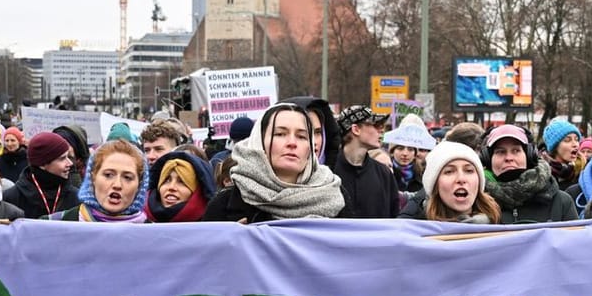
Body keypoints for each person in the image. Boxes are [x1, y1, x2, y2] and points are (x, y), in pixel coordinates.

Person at [204, 102, 346, 223]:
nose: (292, 143)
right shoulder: (225, 204)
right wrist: (231, 242)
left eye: (302, 136)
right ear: (259, 141)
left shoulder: (333, 195)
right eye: (280, 134)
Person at [483, 124, 577, 224]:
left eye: (516, 151)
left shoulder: (561, 202)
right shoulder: (477, 203)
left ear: (529, 156)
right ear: (488, 159)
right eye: (500, 152)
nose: (509, 158)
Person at [402, 141, 508, 223]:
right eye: (449, 172)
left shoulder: (501, 227)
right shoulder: (411, 230)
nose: (461, 179)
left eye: (469, 171)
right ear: (434, 184)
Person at [331, 106, 402, 219]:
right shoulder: (328, 172)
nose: (382, 130)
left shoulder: (384, 174)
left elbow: (394, 216)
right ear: (356, 129)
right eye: (376, 125)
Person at [53, 139, 148, 222]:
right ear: (93, 177)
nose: (117, 185)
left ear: (139, 185)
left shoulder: (154, 235)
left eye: (127, 177)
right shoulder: (53, 225)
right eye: (108, 175)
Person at [12, 130, 77, 220]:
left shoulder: (76, 198)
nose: (70, 163)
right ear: (42, 164)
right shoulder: (12, 198)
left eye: (68, 157)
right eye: (62, 158)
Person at [146, 148, 217, 223]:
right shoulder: (140, 223)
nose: (171, 187)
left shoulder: (215, 226)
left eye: (182, 182)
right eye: (166, 180)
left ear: (198, 191)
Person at [381, 114, 434, 198]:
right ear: (392, 151)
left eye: (410, 149)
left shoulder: (424, 175)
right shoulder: (383, 172)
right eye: (400, 148)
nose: (405, 153)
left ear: (415, 154)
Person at [542, 118, 583, 196]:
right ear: (554, 146)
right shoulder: (542, 177)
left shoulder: (584, 173)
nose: (575, 144)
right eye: (567, 140)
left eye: (577, 139)